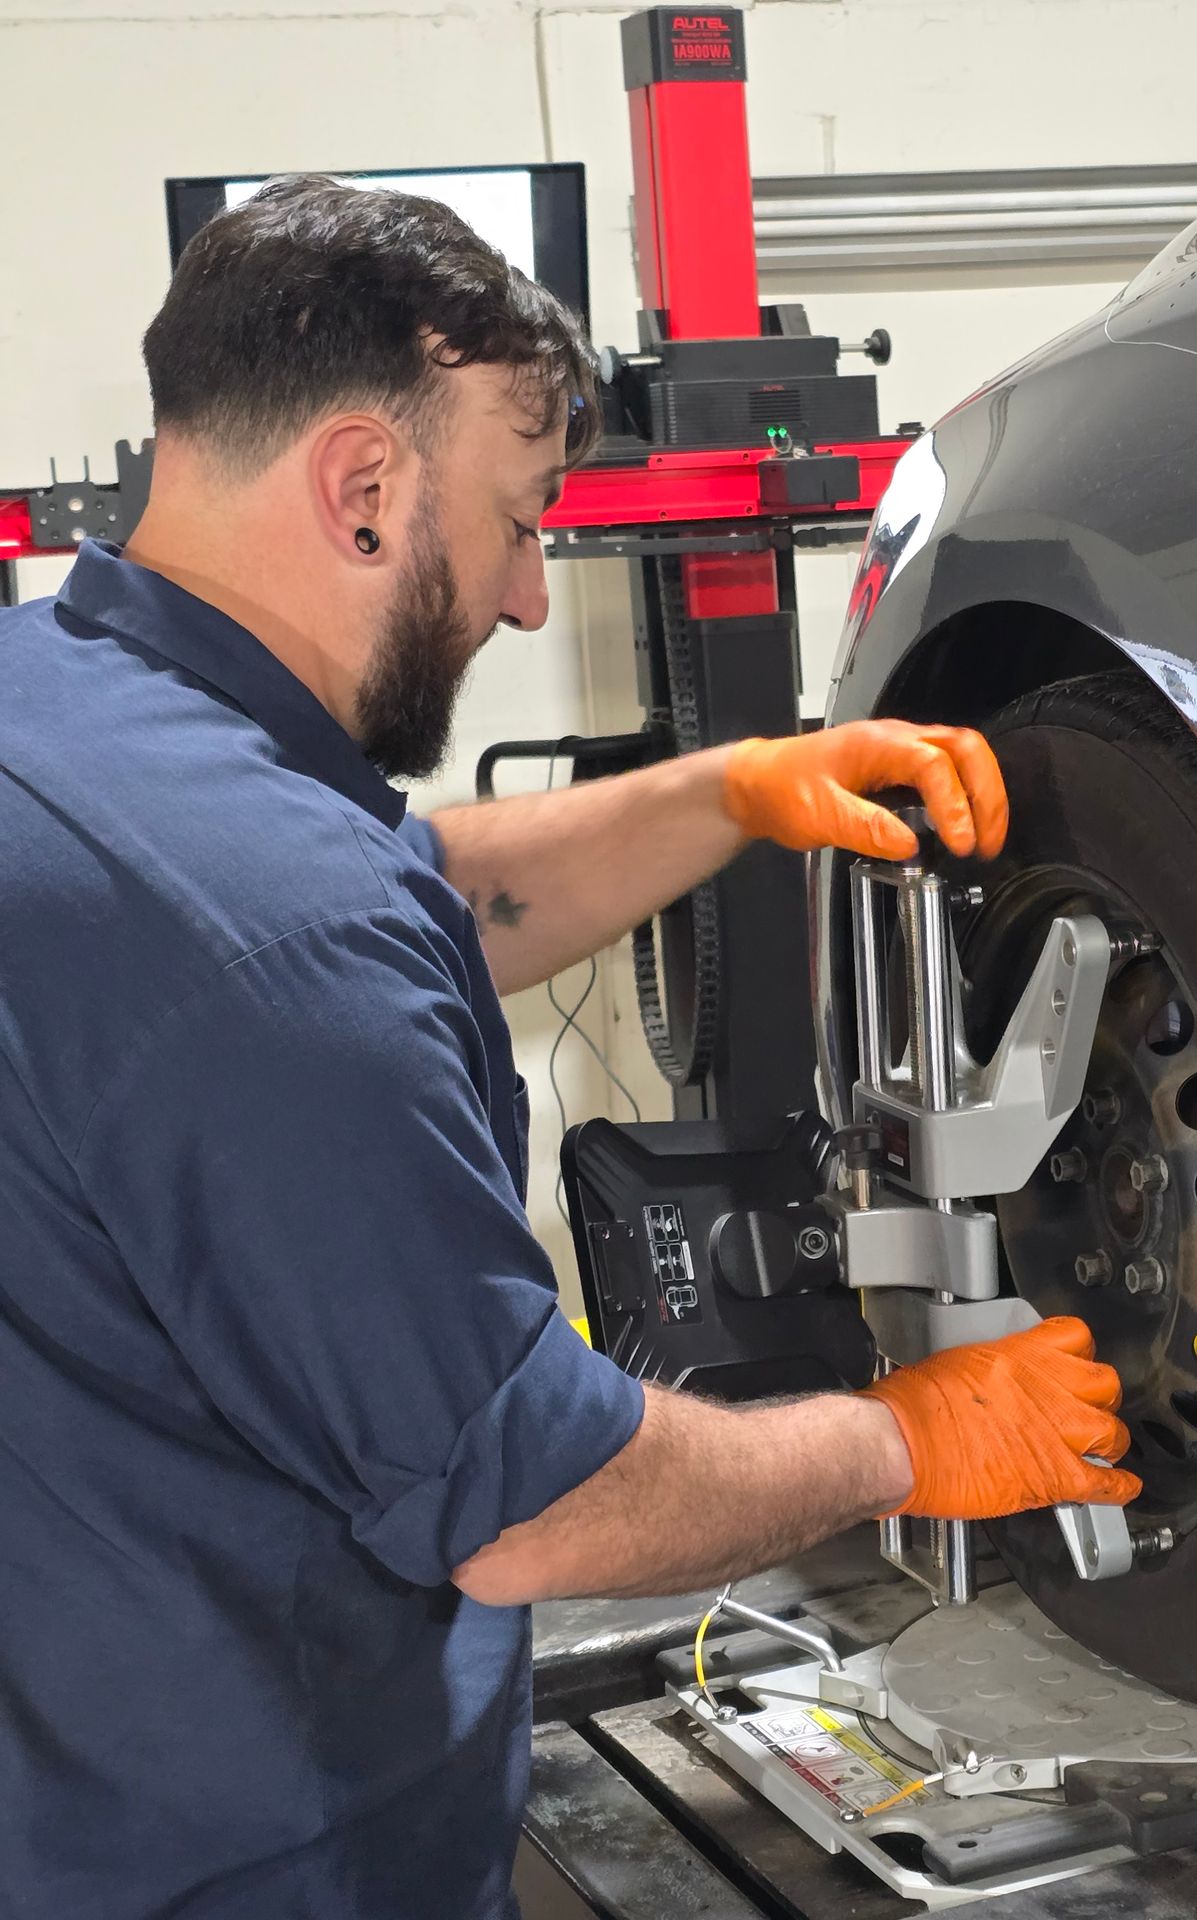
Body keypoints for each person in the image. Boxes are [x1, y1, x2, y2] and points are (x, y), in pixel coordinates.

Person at [0, 175, 1138, 1920]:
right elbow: (538, 1506)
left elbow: (400, 897)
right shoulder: (270, 939)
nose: (533, 600)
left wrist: (731, 792)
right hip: (251, 1859)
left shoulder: (60, 721)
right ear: (365, 490)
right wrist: (909, 1437)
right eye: (525, 522)